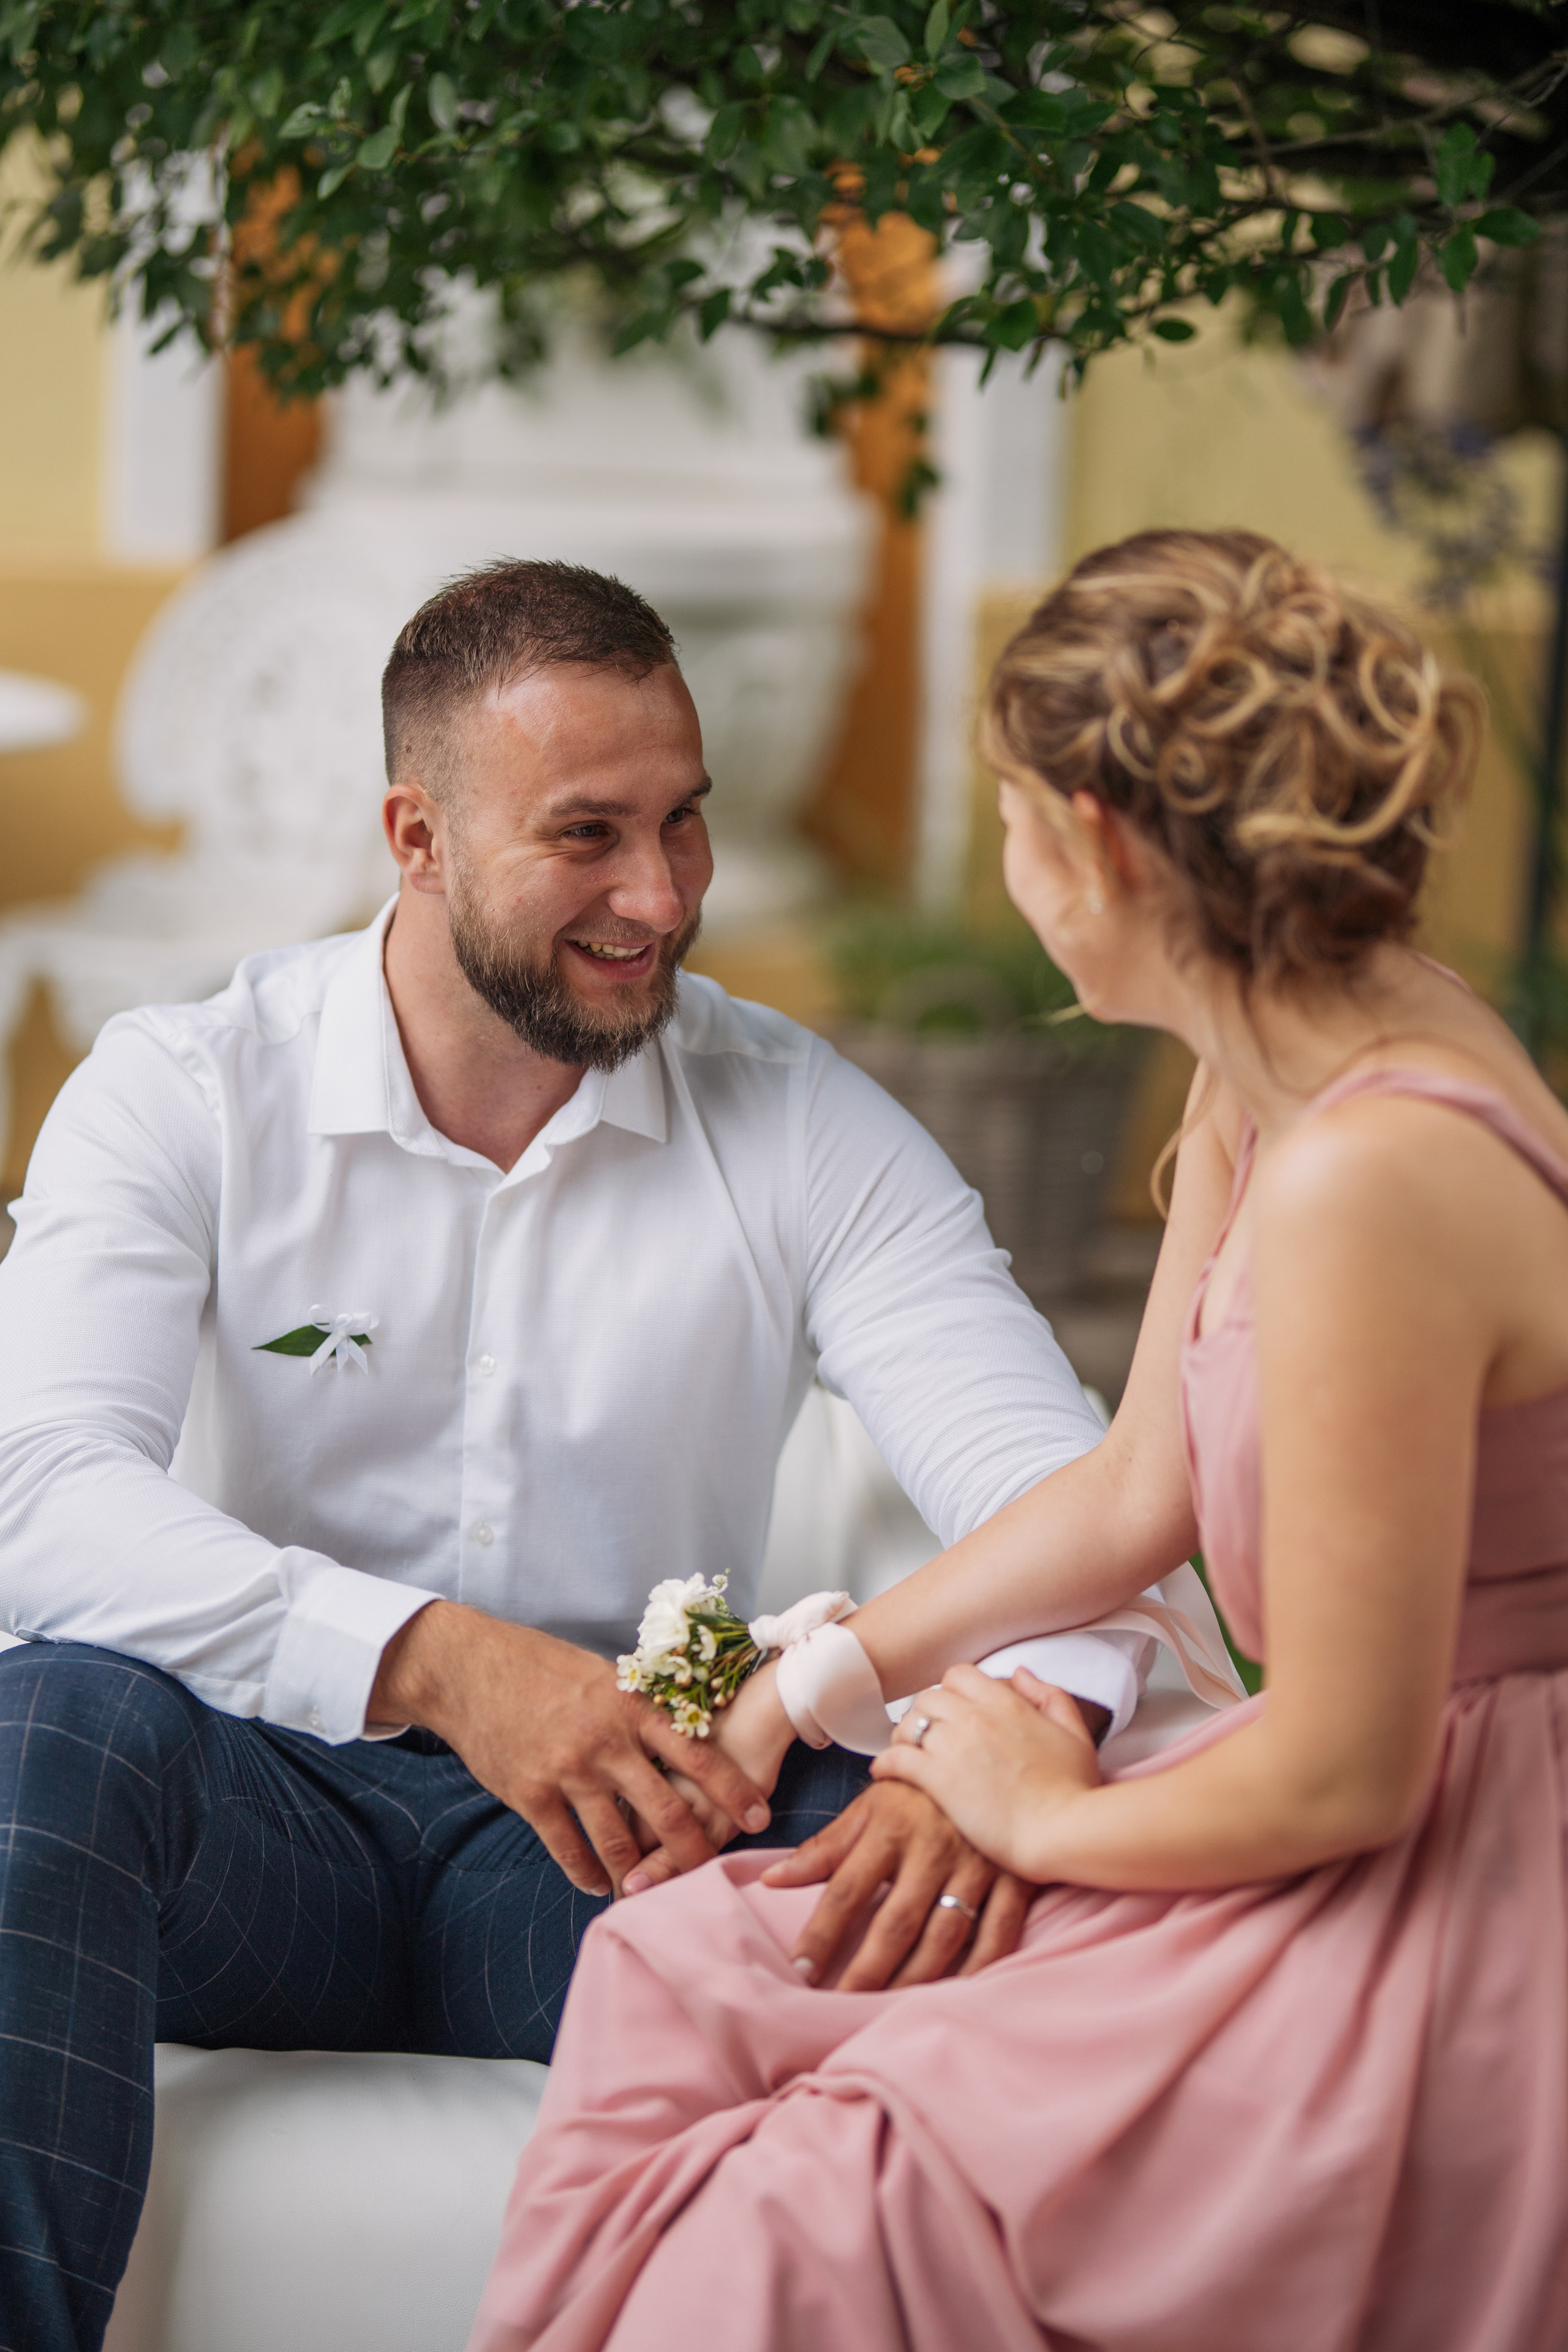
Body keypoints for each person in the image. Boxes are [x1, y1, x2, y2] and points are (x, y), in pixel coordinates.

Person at [0, 559, 1192, 2352]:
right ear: (416, 835)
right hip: (241, 1829)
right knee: (47, 1729)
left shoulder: (805, 1122)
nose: (662, 895)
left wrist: (998, 1740)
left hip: (621, 1848)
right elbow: (36, 1500)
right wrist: (441, 1661)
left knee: (895, 1850)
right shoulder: (180, 1089)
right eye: (588, 836)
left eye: (686, 825)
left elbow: (1072, 1512)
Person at [470, 528, 1568, 2352]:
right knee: (684, 1965)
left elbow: (1358, 1772)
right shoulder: (1263, 1065)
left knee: (828, 2206)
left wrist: (1039, 1808)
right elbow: (1139, 1493)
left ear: (1099, 844)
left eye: (1005, 817)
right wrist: (819, 1675)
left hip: (1448, 1876)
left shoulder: (1378, 1173)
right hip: (1323, 1803)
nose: (1008, 864)